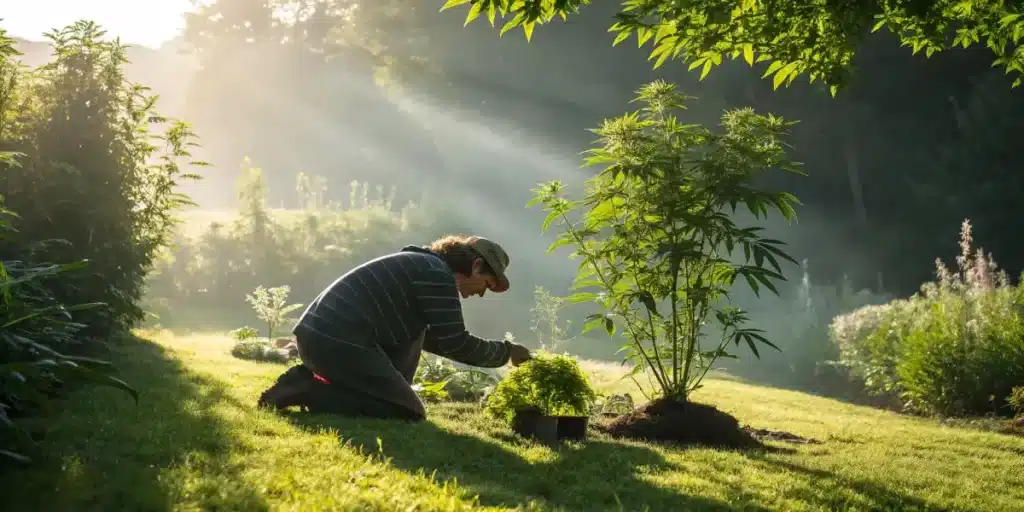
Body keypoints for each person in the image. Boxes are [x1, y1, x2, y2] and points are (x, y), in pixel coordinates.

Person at [257, 234, 532, 421]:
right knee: (407, 412)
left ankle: (314, 382)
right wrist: (507, 352)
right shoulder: (436, 276)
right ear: (475, 266)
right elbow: (456, 342)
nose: (482, 293)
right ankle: (306, 389)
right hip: (336, 341)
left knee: (418, 339)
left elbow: (437, 339)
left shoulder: (425, 267)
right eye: (486, 284)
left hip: (324, 338)